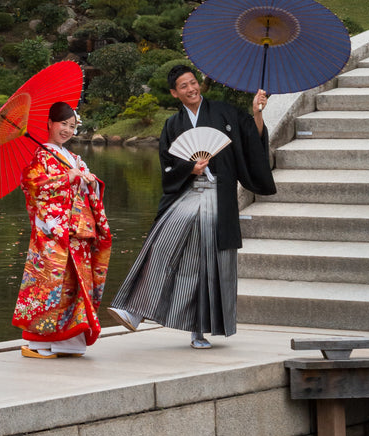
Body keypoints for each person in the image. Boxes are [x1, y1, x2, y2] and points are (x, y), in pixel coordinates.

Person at [109, 65, 275, 349]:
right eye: (183, 86)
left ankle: (197, 329)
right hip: (188, 193)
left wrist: (257, 111)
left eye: (193, 83)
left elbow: (251, 141)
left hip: (217, 198)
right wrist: (190, 168)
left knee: (206, 265)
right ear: (175, 93)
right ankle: (135, 309)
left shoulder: (223, 112)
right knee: (159, 242)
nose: (191, 88)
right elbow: (168, 166)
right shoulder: (173, 124)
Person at [12, 102, 112, 359]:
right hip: (52, 234)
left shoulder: (73, 158)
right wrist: (65, 179)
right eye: (63, 124)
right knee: (51, 285)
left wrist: (90, 183)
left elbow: (87, 189)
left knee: (76, 286)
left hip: (78, 232)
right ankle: (38, 342)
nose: (67, 130)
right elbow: (32, 186)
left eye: (72, 126)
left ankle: (67, 342)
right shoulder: (40, 154)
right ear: (49, 123)